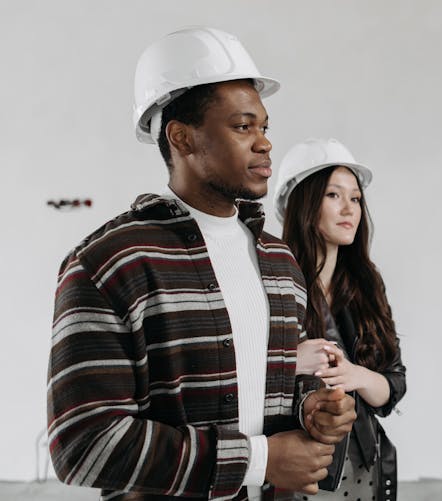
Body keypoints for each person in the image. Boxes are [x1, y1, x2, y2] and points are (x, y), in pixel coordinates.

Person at [46, 28, 355, 501]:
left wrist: (310, 403)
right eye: (242, 126)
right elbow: (84, 445)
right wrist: (263, 460)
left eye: (264, 127)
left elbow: (270, 381)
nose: (265, 144)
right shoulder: (110, 264)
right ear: (181, 137)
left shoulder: (280, 261)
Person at [273, 138, 406, 501]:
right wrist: (291, 362)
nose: (349, 208)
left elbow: (393, 386)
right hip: (300, 472)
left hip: (366, 467)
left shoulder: (365, 284)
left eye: (356, 198)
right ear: (303, 203)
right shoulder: (274, 284)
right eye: (333, 195)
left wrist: (356, 375)